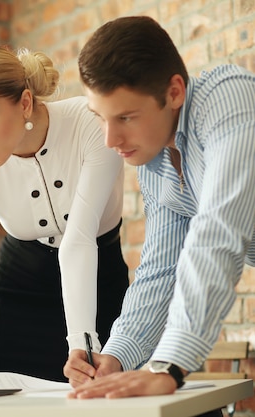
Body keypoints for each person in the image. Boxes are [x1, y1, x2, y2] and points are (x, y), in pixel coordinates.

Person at [65, 15, 255, 406]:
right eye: (101, 118)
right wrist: (115, 357)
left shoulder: (228, 99)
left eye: (126, 118)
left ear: (174, 92)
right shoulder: (156, 162)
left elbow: (217, 232)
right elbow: (161, 269)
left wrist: (170, 366)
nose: (111, 139)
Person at [0, 45, 130, 382]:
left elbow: (79, 239)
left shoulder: (90, 125)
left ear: (26, 103)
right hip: (19, 293)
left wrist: (81, 343)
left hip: (101, 281)